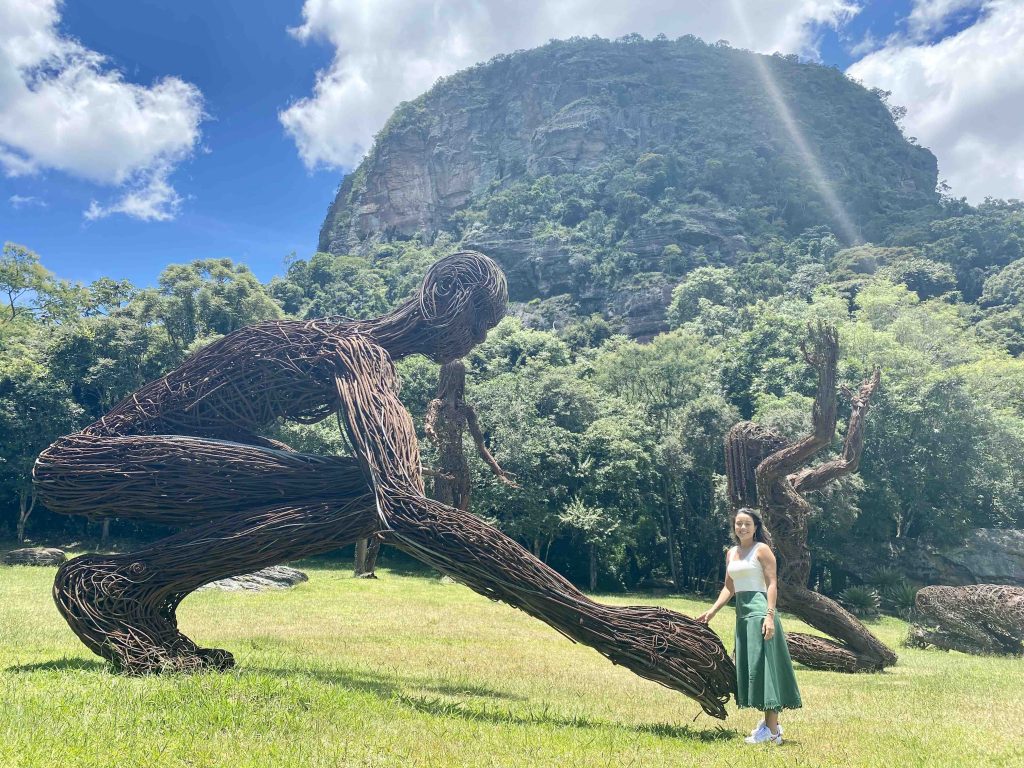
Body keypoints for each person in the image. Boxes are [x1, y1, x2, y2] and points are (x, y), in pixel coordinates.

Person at [697, 507, 802, 744]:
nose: (742, 527)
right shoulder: (731, 552)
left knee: (765, 668)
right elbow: (729, 587)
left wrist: (769, 616)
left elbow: (772, 584)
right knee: (753, 668)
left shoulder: (762, 550)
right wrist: (712, 612)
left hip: (759, 613)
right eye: (738, 523)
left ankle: (773, 733)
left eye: (747, 524)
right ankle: (768, 725)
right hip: (742, 616)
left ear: (756, 527)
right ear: (734, 527)